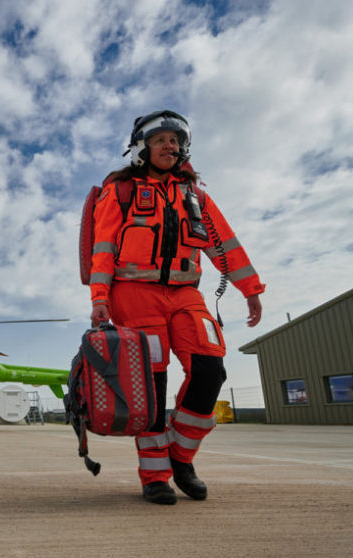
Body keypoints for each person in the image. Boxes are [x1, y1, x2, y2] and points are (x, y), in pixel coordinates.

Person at [88, 110, 264, 505]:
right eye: (161, 139)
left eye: (176, 140)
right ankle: (154, 476)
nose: (170, 145)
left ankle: (181, 458)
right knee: (152, 385)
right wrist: (99, 298)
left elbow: (226, 244)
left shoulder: (196, 196)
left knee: (209, 369)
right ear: (141, 148)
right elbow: (103, 250)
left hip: (185, 295)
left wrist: (249, 288)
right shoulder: (119, 191)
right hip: (133, 294)